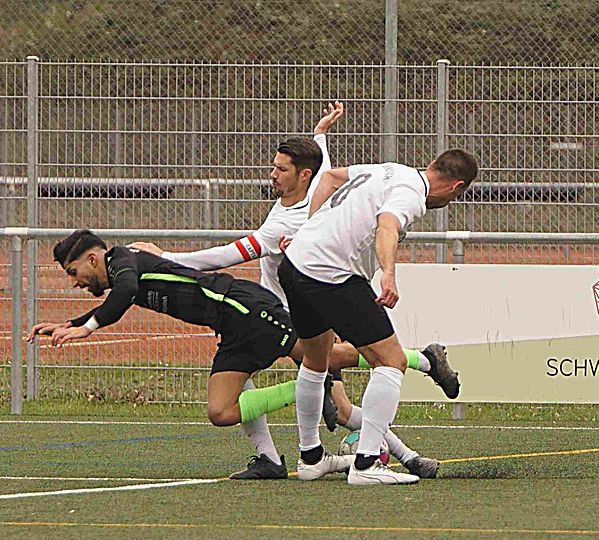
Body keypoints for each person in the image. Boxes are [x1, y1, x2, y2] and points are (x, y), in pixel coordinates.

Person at [129, 102, 456, 480]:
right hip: (286, 306)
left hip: (288, 311)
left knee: (343, 386)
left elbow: (225, 256)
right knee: (329, 376)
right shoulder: (314, 191)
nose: (272, 174)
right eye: (274, 166)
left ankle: (400, 434)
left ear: (302, 175)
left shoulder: (284, 223)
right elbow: (328, 170)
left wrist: (166, 257)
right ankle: (285, 456)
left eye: (281, 169)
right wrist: (320, 134)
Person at [27, 229, 353, 477]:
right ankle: (273, 452)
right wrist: (68, 324)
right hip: (231, 326)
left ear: (93, 259)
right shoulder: (123, 270)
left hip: (245, 310)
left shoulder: (122, 260)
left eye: (72, 272)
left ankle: (377, 352)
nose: (74, 282)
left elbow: (126, 291)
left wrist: (87, 328)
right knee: (221, 411)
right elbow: (119, 297)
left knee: (333, 357)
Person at [280, 148, 477, 485]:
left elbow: (329, 177)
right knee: (391, 361)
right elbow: (387, 226)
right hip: (330, 274)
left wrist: (311, 229)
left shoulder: (391, 169)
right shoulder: (412, 193)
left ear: (431, 164)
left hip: (296, 263)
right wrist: (389, 274)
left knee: (316, 360)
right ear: (456, 187)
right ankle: (367, 463)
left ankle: (310, 458)